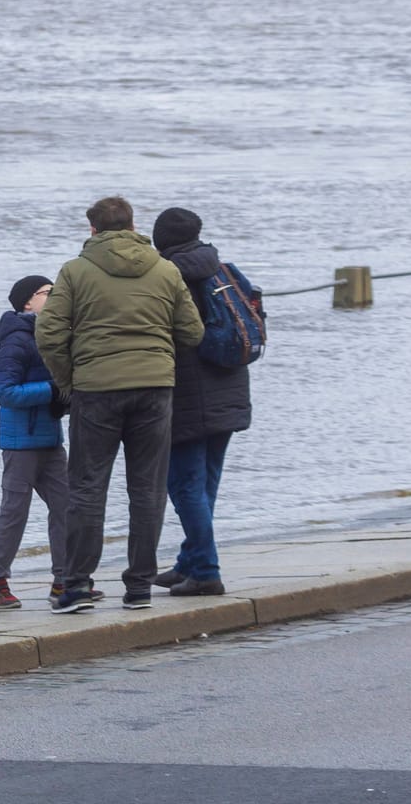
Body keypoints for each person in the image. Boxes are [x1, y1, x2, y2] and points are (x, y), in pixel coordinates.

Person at [35, 197, 203, 614]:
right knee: (147, 490)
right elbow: (193, 331)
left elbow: (49, 332)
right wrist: (157, 355)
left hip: (95, 390)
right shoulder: (166, 269)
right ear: (133, 226)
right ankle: (139, 586)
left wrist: (69, 380)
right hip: (154, 389)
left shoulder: (75, 271)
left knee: (87, 489)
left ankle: (76, 585)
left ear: (92, 230)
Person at [151, 208, 255, 598]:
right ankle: (189, 563)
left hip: (188, 398)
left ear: (161, 239)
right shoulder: (223, 270)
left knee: (184, 486)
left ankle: (207, 571)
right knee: (205, 484)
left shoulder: (168, 278)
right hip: (231, 391)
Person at [0, 275, 78, 611]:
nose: (55, 297)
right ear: (27, 301)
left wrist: (65, 398)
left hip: (52, 439)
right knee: (14, 512)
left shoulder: (53, 335)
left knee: (67, 507)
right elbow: (6, 394)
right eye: (47, 293)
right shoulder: (15, 341)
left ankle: (64, 581)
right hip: (20, 442)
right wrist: (52, 391)